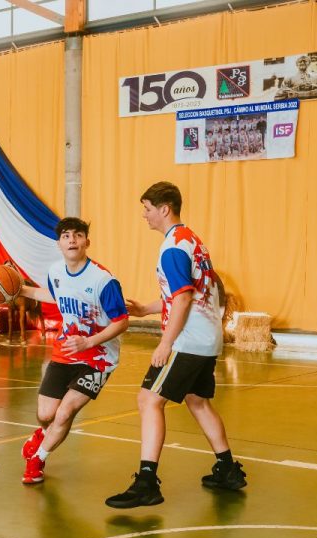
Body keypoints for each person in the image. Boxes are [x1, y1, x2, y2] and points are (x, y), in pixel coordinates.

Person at [105, 181, 246, 510]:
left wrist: (165, 343)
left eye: (148, 208)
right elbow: (188, 295)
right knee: (198, 402)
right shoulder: (192, 241)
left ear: (164, 208)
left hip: (186, 340)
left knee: (148, 401)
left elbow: (182, 298)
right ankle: (227, 469)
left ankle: (146, 482)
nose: (144, 215)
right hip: (206, 338)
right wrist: (146, 309)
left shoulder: (171, 247)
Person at [19, 217, 129, 484]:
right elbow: (54, 295)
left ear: (86, 242)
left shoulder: (103, 280)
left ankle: (38, 461)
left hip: (98, 359)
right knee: (46, 415)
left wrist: (89, 342)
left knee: (65, 412)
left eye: (77, 235)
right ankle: (42, 434)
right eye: (66, 236)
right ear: (59, 244)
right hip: (66, 351)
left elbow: (122, 321)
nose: (71, 240)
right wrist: (19, 289)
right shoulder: (56, 272)